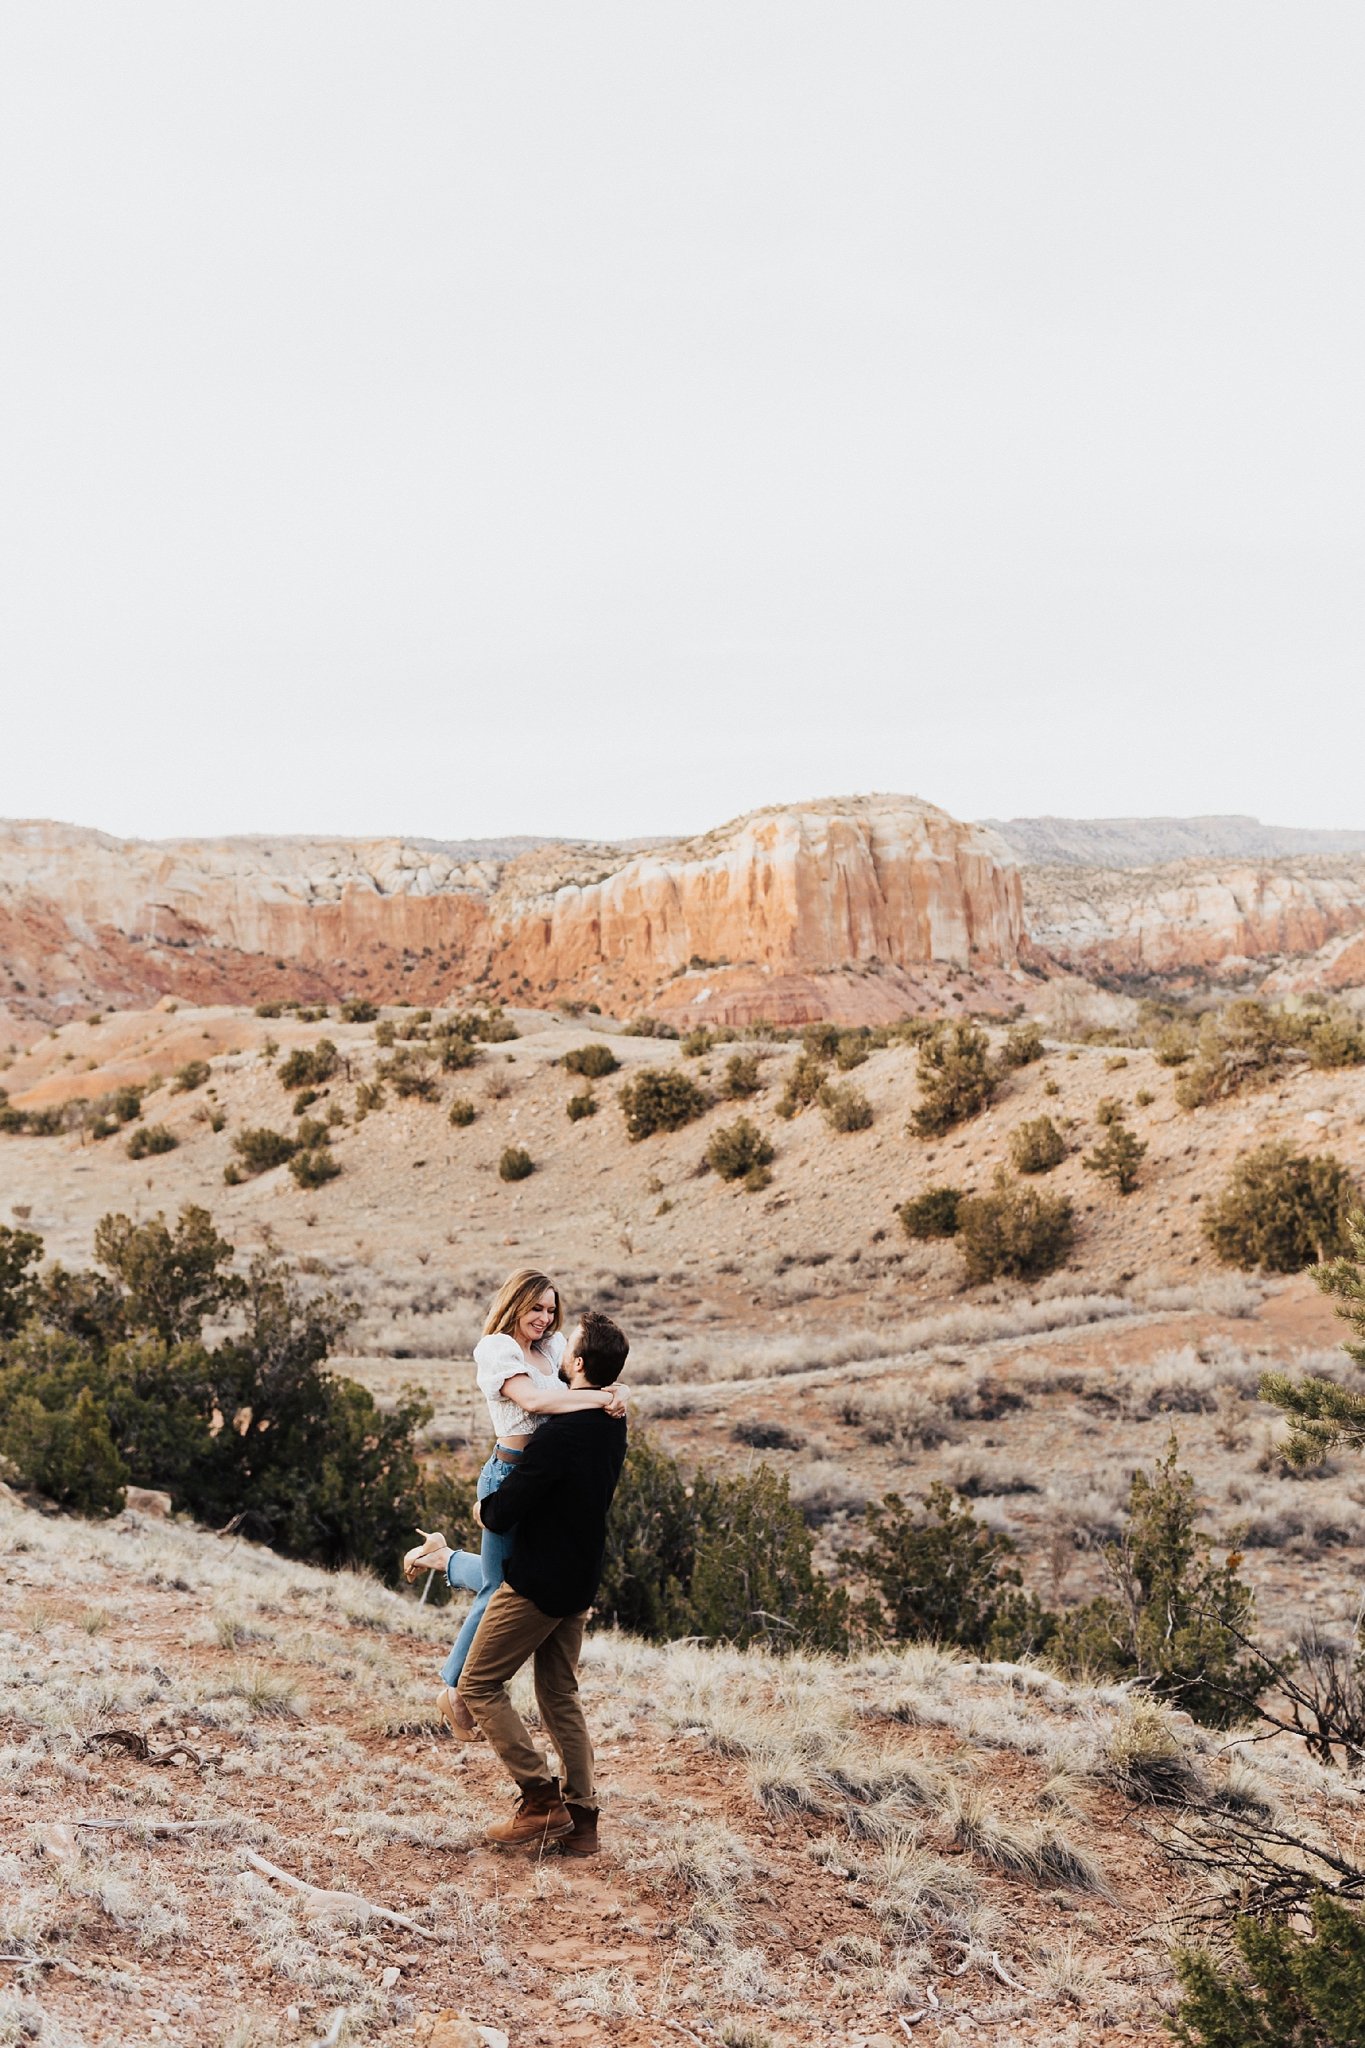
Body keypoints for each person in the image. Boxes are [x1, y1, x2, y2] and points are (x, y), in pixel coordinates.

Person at [418, 1310, 629, 1855]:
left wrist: (482, 1506)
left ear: (577, 1364)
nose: (556, 1348)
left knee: (478, 1685)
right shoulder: (611, 1419)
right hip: (580, 1580)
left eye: (568, 1346)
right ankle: (583, 1823)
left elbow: (502, 1512)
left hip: (537, 1584)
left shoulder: (559, 1434)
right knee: (560, 1695)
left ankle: (540, 1800)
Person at [403, 1270, 625, 1739]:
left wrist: (616, 1389)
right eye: (536, 1309)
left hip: (547, 1478)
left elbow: (584, 1379)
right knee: (500, 1588)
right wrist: (605, 1397)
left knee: (505, 1575)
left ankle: (439, 1557)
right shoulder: (496, 1349)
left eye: (550, 1310)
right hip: (509, 1472)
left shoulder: (551, 1345)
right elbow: (537, 1402)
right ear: (515, 1304)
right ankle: (454, 1691)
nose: (544, 1319)